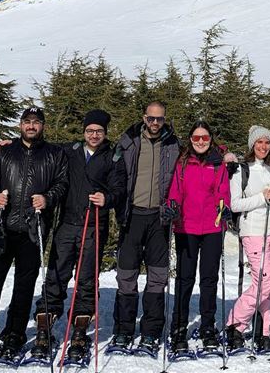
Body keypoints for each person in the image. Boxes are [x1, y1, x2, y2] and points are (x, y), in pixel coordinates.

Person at [0, 107, 69, 363]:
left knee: (23, 287)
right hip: (3, 228)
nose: (32, 126)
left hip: (33, 229)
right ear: (21, 125)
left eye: (37, 122)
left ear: (43, 126)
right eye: (27, 122)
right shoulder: (5, 152)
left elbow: (62, 184)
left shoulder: (54, 154)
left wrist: (48, 198)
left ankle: (14, 337)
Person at [28, 109, 126, 360]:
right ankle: (43, 327)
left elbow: (119, 189)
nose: (94, 135)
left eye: (99, 131)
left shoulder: (113, 156)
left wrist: (107, 198)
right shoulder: (69, 151)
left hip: (94, 225)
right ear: (84, 132)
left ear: (105, 133)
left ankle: (80, 331)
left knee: (86, 279)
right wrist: (11, 145)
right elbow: (42, 148)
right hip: (68, 223)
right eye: (90, 131)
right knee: (55, 275)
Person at [110, 101, 180, 354]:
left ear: (164, 120)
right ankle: (124, 330)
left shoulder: (173, 144)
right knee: (126, 275)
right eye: (151, 118)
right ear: (144, 118)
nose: (155, 123)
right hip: (132, 216)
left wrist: (227, 157)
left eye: (160, 119)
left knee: (158, 277)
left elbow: (185, 172)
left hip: (159, 218)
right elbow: (113, 170)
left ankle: (151, 332)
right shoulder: (128, 141)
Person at [164, 120, 231, 354]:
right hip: (186, 227)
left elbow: (223, 191)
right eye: (196, 138)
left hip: (212, 227)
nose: (200, 142)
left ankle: (207, 326)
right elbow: (176, 190)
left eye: (204, 138)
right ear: (190, 140)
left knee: (209, 279)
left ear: (210, 140)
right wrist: (172, 206)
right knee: (184, 279)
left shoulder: (218, 163)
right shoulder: (182, 163)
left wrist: (225, 209)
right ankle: (179, 327)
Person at [225, 125, 270, 352]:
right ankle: (234, 324)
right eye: (259, 142)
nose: (263, 146)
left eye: (267, 142)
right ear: (252, 145)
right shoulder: (242, 171)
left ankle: (265, 332)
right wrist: (263, 197)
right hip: (253, 231)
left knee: (268, 284)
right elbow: (235, 204)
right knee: (263, 282)